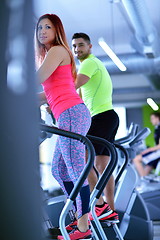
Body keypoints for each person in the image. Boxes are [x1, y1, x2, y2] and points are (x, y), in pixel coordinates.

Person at [35, 14, 92, 240]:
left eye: (48, 27)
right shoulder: (53, 54)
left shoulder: (57, 50)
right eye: (39, 27)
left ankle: (83, 225)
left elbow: (36, 77)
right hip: (68, 113)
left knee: (76, 170)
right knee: (59, 170)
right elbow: (49, 92)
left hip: (71, 114)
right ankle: (79, 217)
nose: (42, 31)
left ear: (57, 30)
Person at [72, 32, 119, 223]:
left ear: (90, 47)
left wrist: (51, 96)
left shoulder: (89, 63)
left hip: (101, 117)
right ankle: (110, 210)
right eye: (74, 46)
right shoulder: (91, 65)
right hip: (106, 116)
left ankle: (100, 206)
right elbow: (80, 98)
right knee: (102, 165)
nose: (77, 49)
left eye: (80, 45)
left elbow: (75, 85)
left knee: (83, 160)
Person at [133, 112, 160, 177]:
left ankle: (143, 180)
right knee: (148, 166)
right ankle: (144, 183)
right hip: (157, 152)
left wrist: (148, 150)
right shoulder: (157, 129)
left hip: (158, 152)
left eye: (152, 118)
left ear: (158, 118)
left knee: (136, 159)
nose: (151, 121)